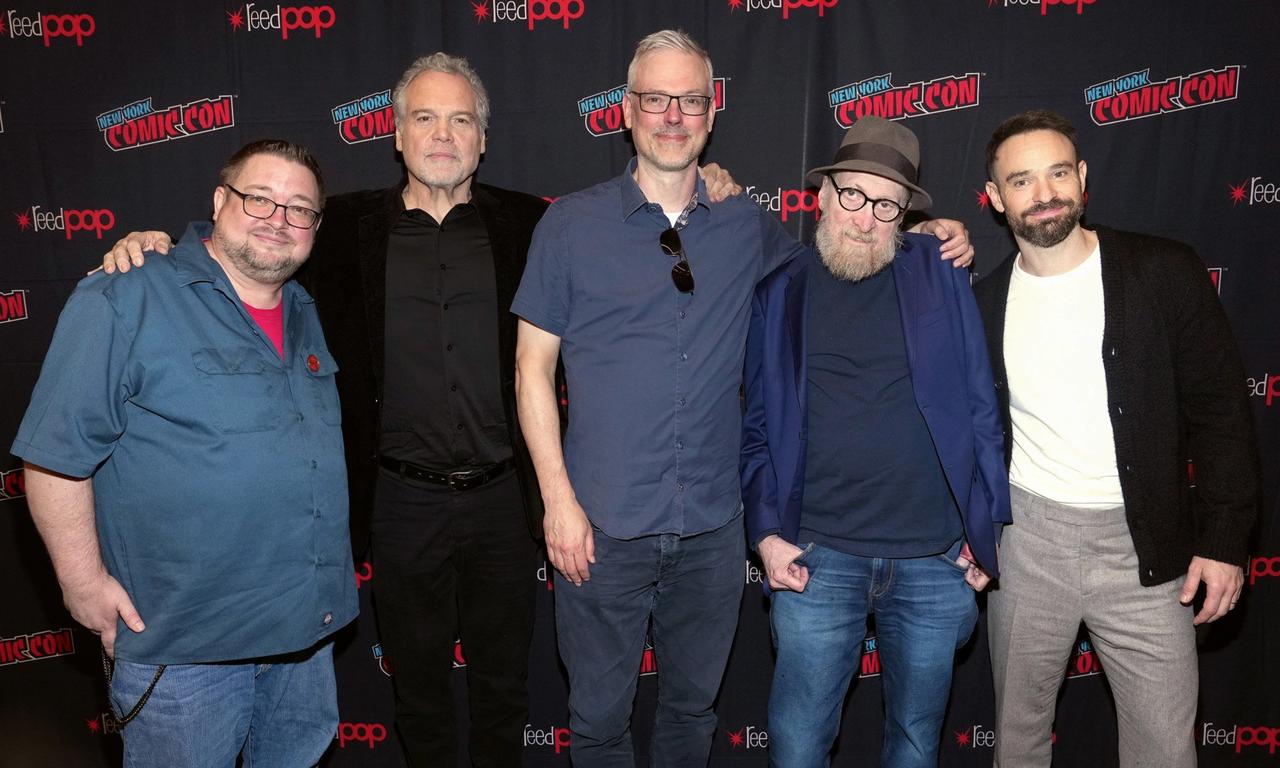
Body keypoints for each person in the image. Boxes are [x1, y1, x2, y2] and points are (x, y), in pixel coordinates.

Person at [98, 53, 743, 768]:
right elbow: (249, 246)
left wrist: (707, 185)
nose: (444, 134)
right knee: (420, 693)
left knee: (506, 686)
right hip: (397, 500)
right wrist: (158, 244)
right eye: (426, 118)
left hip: (506, 499)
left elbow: (651, 221)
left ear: (482, 139)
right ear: (397, 134)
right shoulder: (338, 230)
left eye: (461, 119)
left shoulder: (533, 224)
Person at [512, 30, 975, 767]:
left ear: (710, 113)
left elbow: (849, 257)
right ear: (626, 111)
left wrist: (928, 234)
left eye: (690, 101)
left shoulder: (748, 224)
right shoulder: (569, 225)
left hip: (713, 530)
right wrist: (557, 502)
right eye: (656, 100)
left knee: (693, 712)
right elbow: (531, 369)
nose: (673, 116)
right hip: (600, 522)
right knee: (597, 720)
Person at [13, 139, 356, 767]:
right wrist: (82, 583)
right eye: (260, 199)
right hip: (184, 650)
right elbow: (54, 457)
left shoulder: (307, 309)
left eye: (299, 209)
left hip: (304, 642)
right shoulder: (126, 294)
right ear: (220, 201)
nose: (279, 219)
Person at [974, 109, 1259, 767]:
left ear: (1082, 178)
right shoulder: (981, 303)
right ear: (995, 199)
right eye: (1021, 181)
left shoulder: (1164, 271)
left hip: (1148, 548)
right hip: (1027, 547)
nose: (1043, 193)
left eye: (1056, 172)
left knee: (1164, 747)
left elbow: (1221, 414)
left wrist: (1223, 541)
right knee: (1015, 746)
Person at [740, 116, 1009, 768]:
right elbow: (753, 430)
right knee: (800, 747)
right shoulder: (780, 292)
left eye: (885, 204)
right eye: (852, 196)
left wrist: (986, 530)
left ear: (904, 215)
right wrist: (767, 534)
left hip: (934, 561)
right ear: (823, 195)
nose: (863, 218)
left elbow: (981, 409)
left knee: (916, 745)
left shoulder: (941, 276)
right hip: (816, 560)